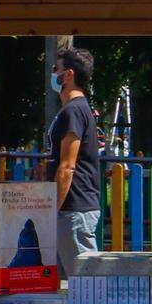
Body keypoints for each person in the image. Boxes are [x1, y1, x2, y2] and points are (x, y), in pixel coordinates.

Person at [49, 46, 101, 280]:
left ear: (68, 75)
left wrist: (51, 208)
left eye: (55, 69)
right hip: (70, 210)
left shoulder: (73, 111)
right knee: (68, 286)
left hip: (73, 210)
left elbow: (67, 166)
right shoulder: (74, 110)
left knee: (86, 286)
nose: (52, 74)